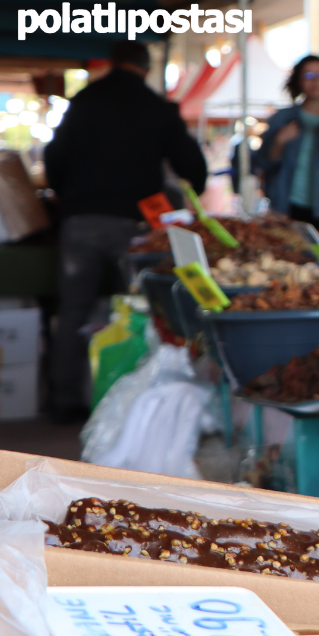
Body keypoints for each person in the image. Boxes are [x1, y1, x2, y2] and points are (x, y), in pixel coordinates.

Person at [44, 40, 207, 423]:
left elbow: (54, 158)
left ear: (111, 63)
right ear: (146, 68)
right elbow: (192, 167)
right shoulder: (156, 107)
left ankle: (65, 401)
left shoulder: (84, 100)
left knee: (72, 311)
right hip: (133, 228)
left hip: (80, 222)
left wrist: (69, 196)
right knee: (134, 313)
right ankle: (125, 403)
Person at [256, 55, 319, 232]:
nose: (316, 82)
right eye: (309, 76)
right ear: (299, 80)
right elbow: (262, 163)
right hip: (287, 206)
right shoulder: (281, 119)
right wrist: (279, 142)